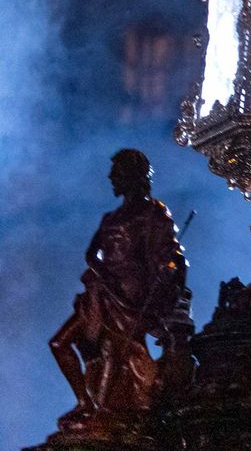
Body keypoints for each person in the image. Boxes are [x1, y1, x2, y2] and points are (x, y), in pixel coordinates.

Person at [51, 149, 191, 426]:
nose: (111, 177)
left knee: (116, 350)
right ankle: (86, 402)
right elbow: (91, 254)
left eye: (117, 172)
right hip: (103, 288)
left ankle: (104, 411)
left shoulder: (153, 212)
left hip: (130, 291)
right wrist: (101, 272)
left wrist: (169, 273)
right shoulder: (109, 218)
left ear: (132, 175)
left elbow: (173, 255)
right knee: (59, 343)